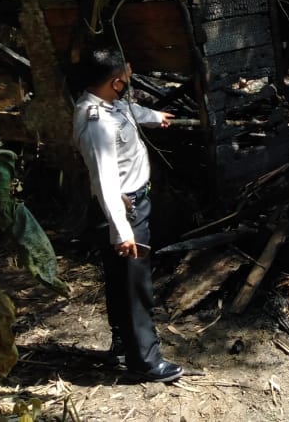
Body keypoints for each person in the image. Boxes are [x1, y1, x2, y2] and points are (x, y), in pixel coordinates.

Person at [72, 48, 184, 383]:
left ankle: (123, 344)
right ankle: (146, 360)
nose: (130, 76)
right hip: (125, 210)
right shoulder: (97, 124)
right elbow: (105, 182)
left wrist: (154, 115)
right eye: (126, 75)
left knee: (121, 279)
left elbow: (129, 111)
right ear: (116, 81)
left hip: (129, 206)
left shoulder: (108, 102)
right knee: (136, 284)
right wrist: (122, 231)